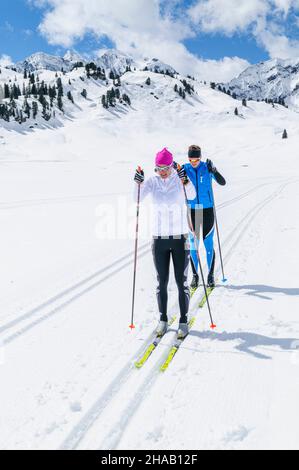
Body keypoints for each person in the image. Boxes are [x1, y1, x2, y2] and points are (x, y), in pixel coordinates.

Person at [134, 148, 196, 339]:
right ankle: (162, 320)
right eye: (159, 168)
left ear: (171, 166)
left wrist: (185, 179)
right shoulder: (152, 183)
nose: (162, 171)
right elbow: (136, 199)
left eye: (166, 167)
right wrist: (137, 183)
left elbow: (192, 195)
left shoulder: (179, 180)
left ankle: (183, 321)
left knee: (181, 282)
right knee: (162, 282)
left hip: (180, 238)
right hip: (159, 239)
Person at [183, 145, 226, 289]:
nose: (193, 162)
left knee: (208, 243)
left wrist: (214, 170)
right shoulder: (184, 169)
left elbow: (222, 182)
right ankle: (195, 276)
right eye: (191, 159)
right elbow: (167, 175)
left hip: (207, 210)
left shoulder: (206, 168)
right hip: (193, 211)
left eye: (195, 159)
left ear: (200, 158)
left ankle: (210, 275)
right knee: (193, 245)